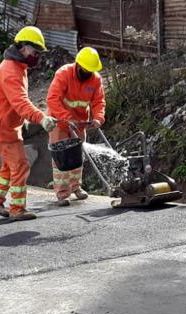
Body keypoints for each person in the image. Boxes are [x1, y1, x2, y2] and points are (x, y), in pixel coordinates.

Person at [0, 26, 57, 222]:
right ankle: (17, 209)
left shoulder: (17, 66)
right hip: (2, 128)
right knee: (21, 166)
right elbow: (21, 102)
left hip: (2, 125)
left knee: (10, 166)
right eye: (35, 52)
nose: (37, 57)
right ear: (24, 48)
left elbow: (14, 102)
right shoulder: (11, 71)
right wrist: (41, 118)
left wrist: (23, 119)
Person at [46, 47, 106, 205]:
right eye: (86, 70)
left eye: (91, 71)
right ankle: (62, 194)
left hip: (79, 123)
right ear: (78, 65)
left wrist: (98, 118)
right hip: (59, 122)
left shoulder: (95, 79)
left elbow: (98, 101)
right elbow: (52, 99)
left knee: (78, 156)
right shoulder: (63, 74)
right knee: (62, 159)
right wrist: (65, 118)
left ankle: (76, 187)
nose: (88, 73)